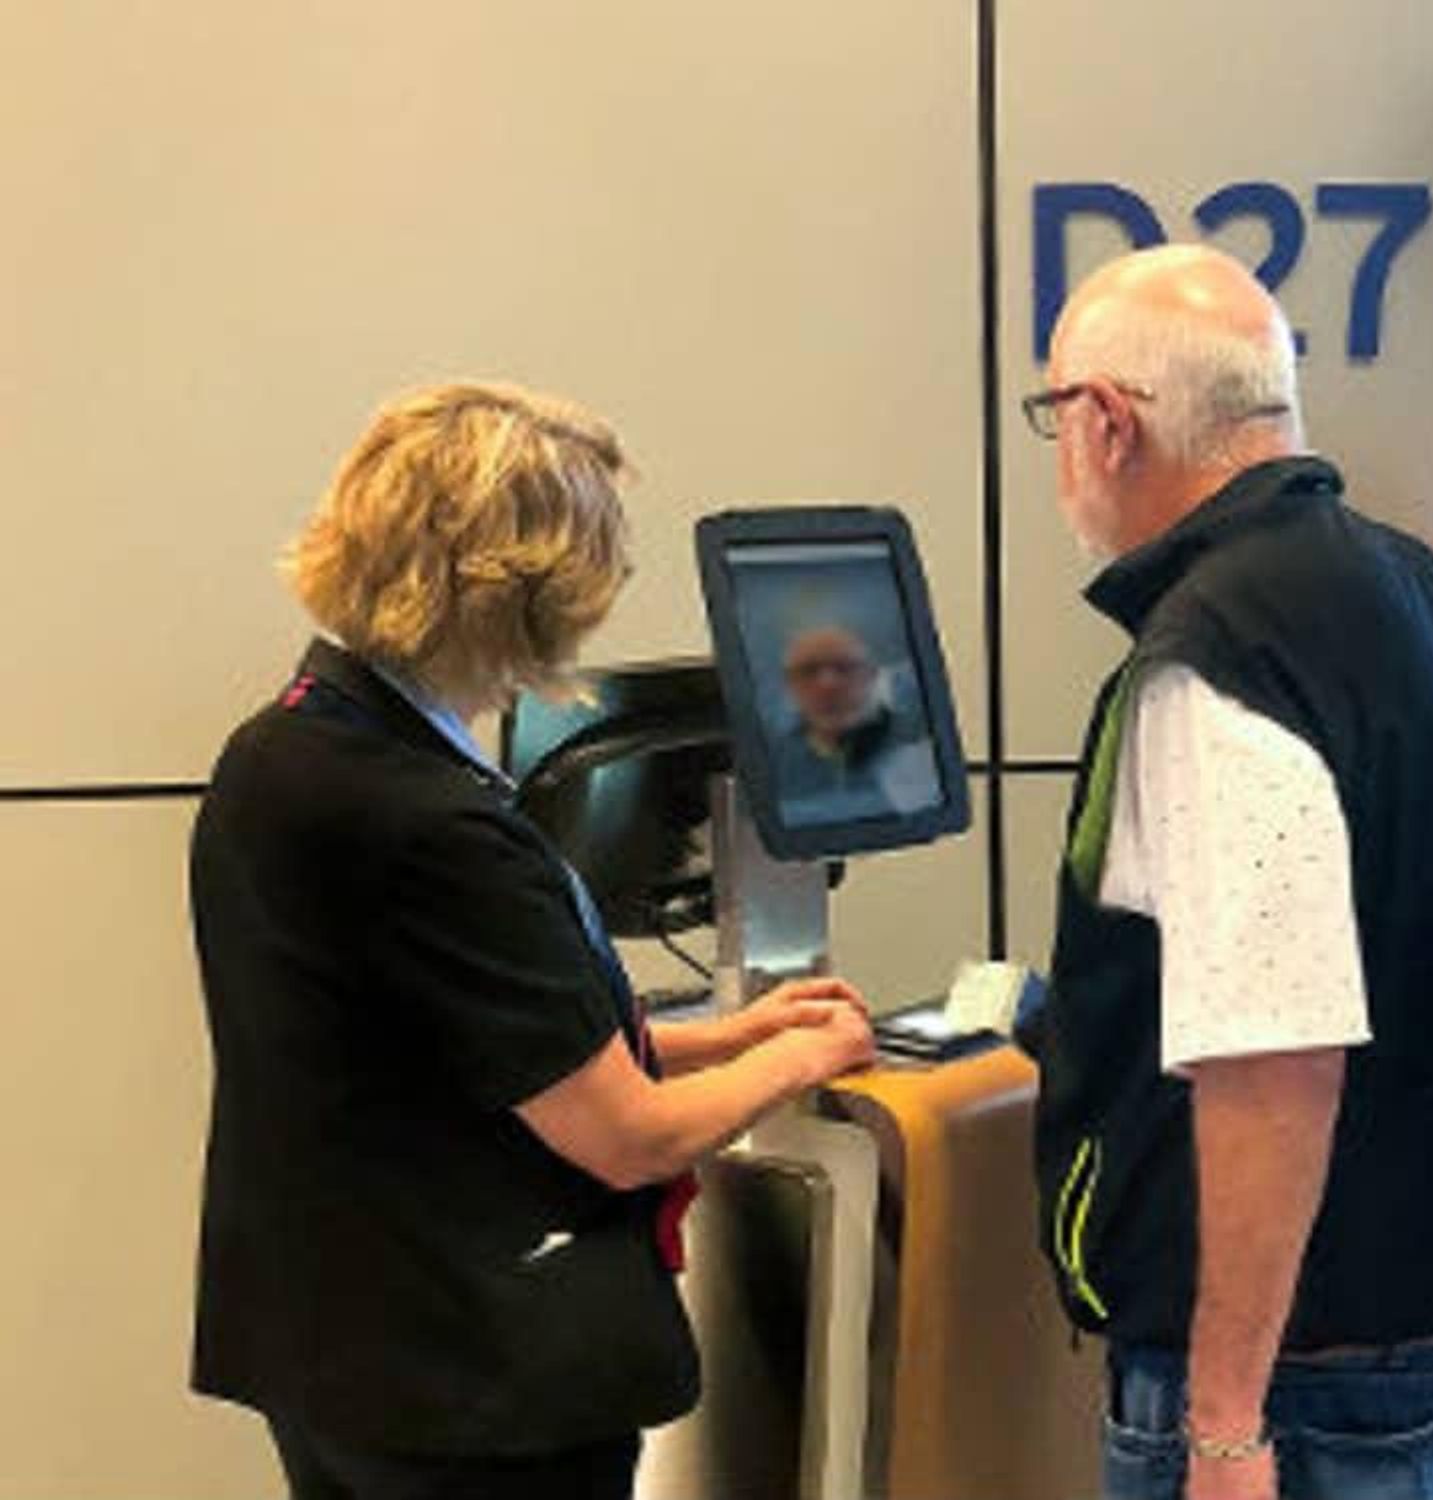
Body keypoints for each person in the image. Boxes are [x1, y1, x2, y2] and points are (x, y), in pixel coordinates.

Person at [189, 382, 876, 1500]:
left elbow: (453, 1047)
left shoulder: (281, 752)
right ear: (524, 590)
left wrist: (728, 1037)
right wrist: (801, 1058)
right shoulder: (433, 822)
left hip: (337, 1348)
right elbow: (627, 1137)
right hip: (472, 1384)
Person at [1021, 245, 1433, 1500]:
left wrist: (1225, 1425)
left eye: (1052, 417)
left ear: (1105, 424)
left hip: (1298, 1374)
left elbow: (1273, 1065)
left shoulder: (1217, 659)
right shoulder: (1409, 584)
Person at [769, 623, 932, 819]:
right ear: (789, 684)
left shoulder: (918, 746)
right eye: (808, 671)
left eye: (844, 668)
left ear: (872, 676)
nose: (827, 684)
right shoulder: (772, 762)